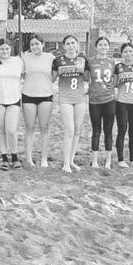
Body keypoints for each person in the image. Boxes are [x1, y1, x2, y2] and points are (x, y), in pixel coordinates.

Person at [52, 35, 90, 173]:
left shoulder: (83, 59)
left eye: (73, 43)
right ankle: (65, 164)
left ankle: (71, 160)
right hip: (65, 98)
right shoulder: (58, 60)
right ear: (64, 46)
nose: (71, 45)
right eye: (68, 43)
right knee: (69, 130)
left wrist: (82, 68)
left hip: (80, 97)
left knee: (77, 130)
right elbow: (52, 78)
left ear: (77, 44)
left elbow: (87, 78)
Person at [0, 38, 24, 170]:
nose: (4, 51)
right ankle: (4, 158)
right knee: (1, 130)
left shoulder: (18, 61)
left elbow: (25, 75)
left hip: (14, 100)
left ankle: (14, 157)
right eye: (2, 49)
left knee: (11, 130)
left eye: (7, 48)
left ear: (11, 49)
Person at [21, 34, 55, 167]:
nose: (34, 46)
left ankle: (44, 159)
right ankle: (29, 159)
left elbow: (55, 75)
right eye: (32, 44)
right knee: (29, 128)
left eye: (37, 43)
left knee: (44, 128)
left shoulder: (50, 58)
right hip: (28, 95)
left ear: (43, 44)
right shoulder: (25, 58)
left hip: (46, 96)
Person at [88, 36, 116, 169]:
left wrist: (109, 89)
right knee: (96, 130)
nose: (103, 47)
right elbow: (86, 77)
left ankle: (108, 160)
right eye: (100, 45)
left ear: (108, 47)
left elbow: (115, 79)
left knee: (108, 131)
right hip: (94, 100)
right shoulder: (90, 61)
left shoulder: (112, 61)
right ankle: (94, 160)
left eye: (105, 45)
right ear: (96, 47)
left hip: (109, 99)